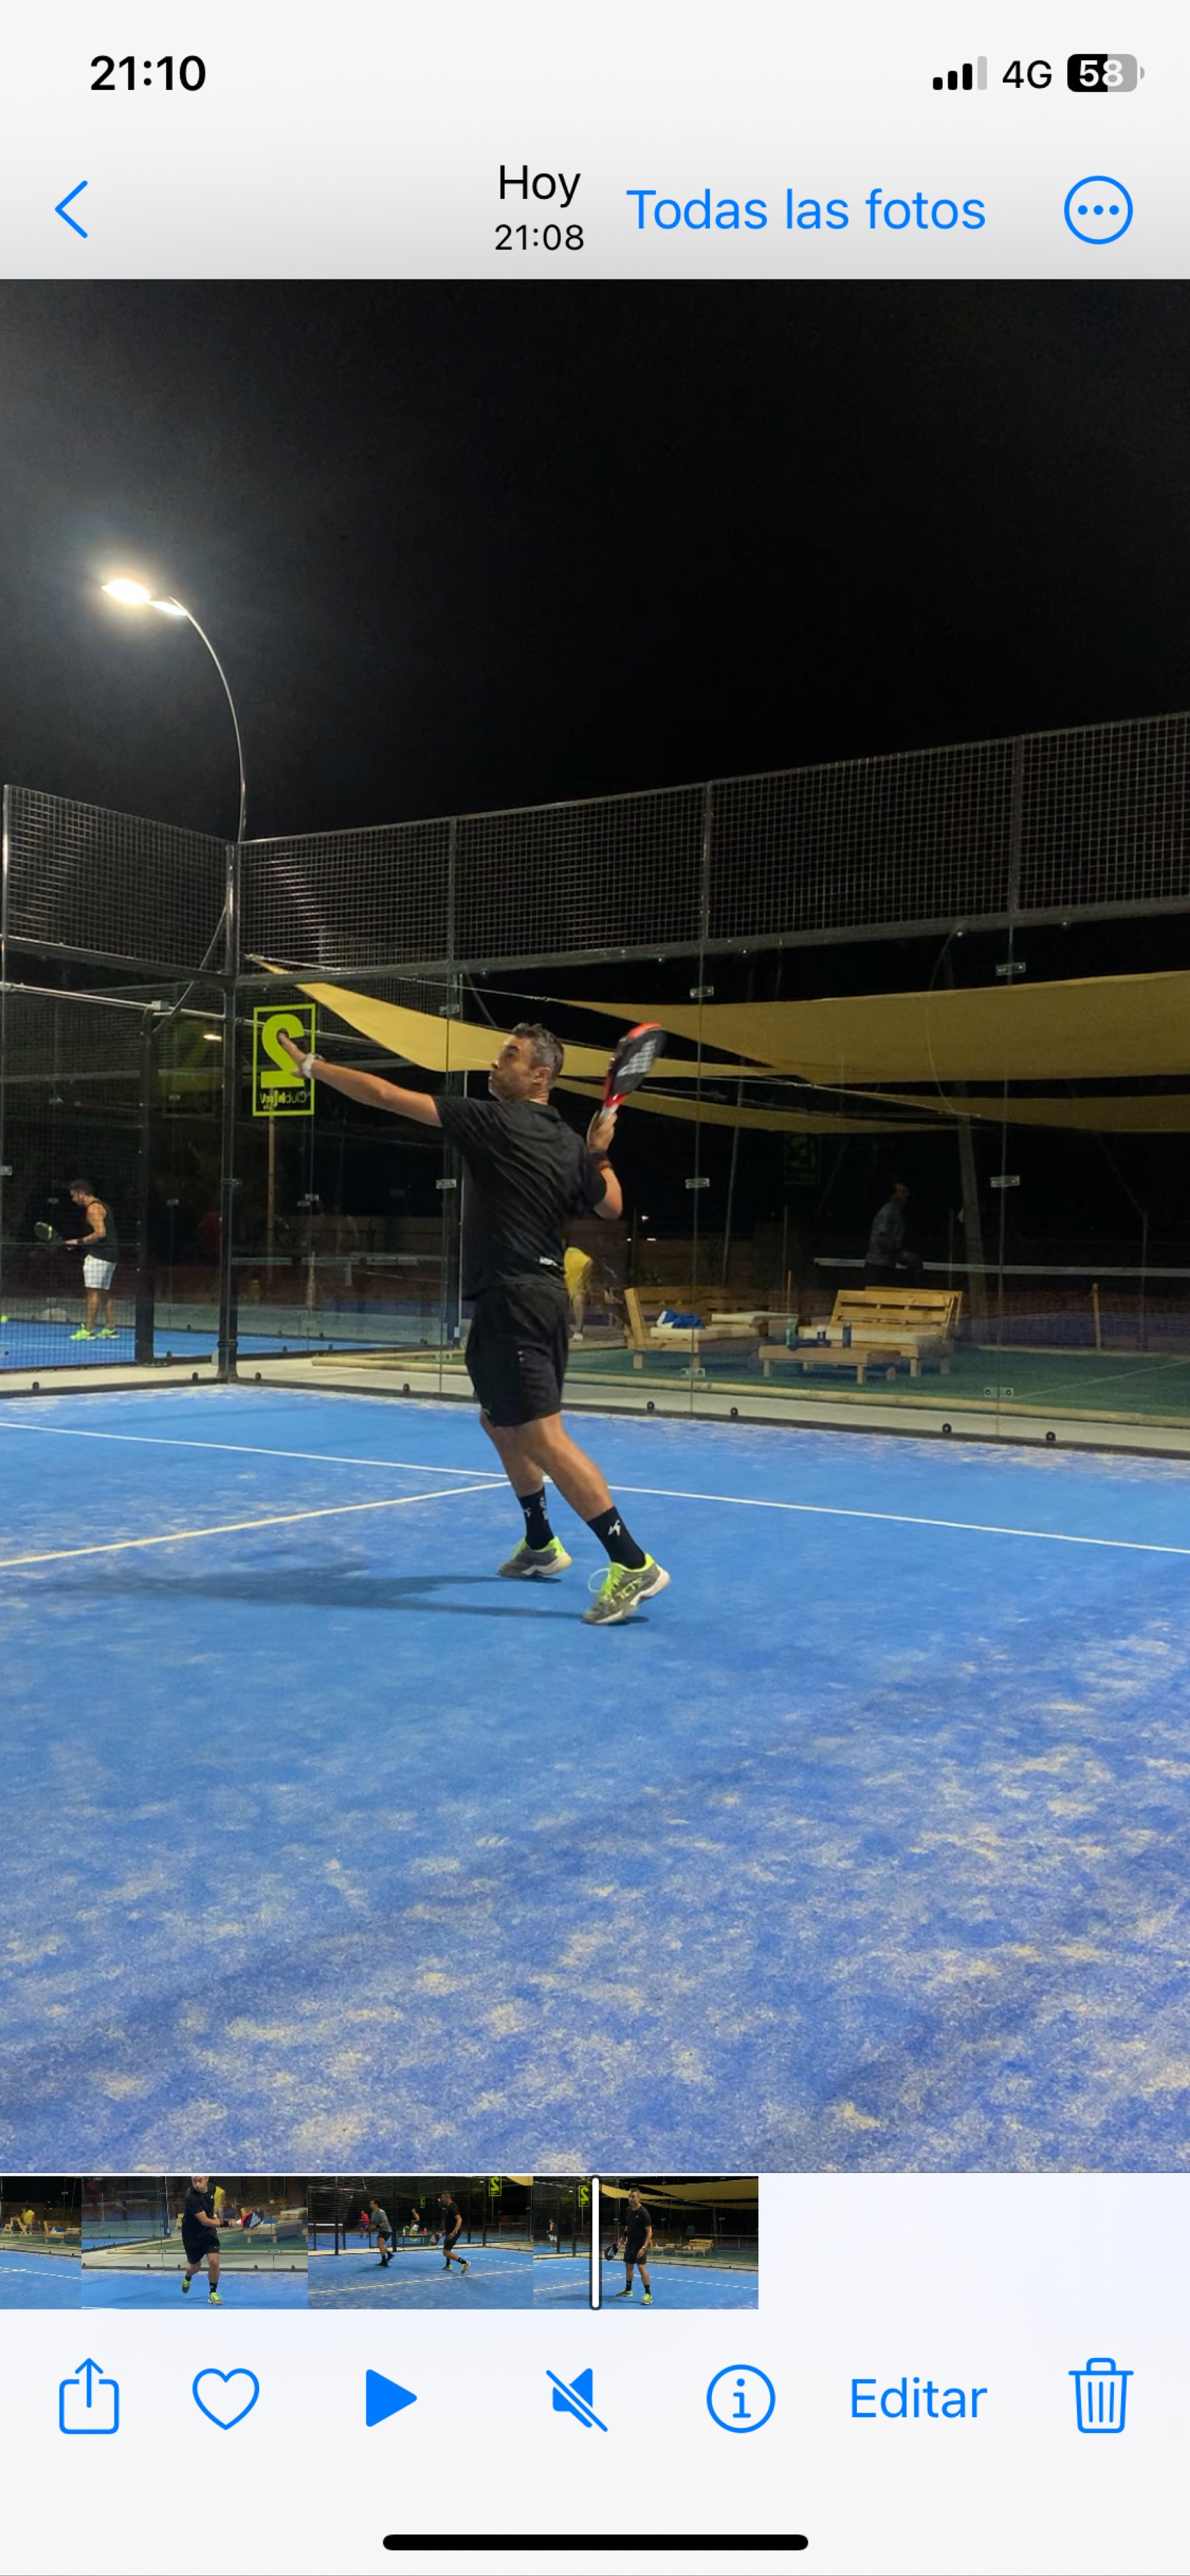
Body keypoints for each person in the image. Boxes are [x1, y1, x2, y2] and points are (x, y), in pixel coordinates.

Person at [278, 1022, 669, 1625]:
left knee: (543, 1435)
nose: (495, 1064)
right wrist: (597, 1152)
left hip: (520, 1300)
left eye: (509, 1056)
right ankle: (541, 1543)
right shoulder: (568, 1142)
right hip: (509, 1300)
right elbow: (611, 1204)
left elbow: (383, 1095)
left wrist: (313, 1067)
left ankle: (632, 1562)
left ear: (539, 1075)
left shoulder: (495, 1121)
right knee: (499, 1420)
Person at [63, 1180, 120, 1339]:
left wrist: (77, 1242)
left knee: (92, 1293)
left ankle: (88, 1330)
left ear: (82, 1193)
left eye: (74, 1196)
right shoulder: (103, 1205)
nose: (73, 1199)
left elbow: (100, 1233)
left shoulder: (93, 1208)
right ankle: (110, 1328)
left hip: (99, 1257)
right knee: (104, 1292)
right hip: (111, 1255)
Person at [180, 2176, 223, 2303]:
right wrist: (225, 2223)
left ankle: (213, 2293)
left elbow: (218, 2199)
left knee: (214, 2262)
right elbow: (204, 2221)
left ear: (207, 2178)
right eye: (194, 2181)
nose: (198, 2185)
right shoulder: (191, 2196)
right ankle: (188, 2276)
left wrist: (216, 2213)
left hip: (209, 2233)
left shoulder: (213, 2189)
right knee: (195, 2267)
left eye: (200, 2180)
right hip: (192, 2235)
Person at [864, 1180, 914, 1288]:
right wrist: (899, 1253)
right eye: (902, 1192)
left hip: (887, 1264)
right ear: (893, 1195)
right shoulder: (888, 1213)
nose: (906, 1195)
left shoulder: (896, 1212)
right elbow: (882, 1238)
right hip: (878, 1266)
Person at [611, 2190, 653, 2305]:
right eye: (629, 2197)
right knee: (628, 2266)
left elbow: (649, 2232)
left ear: (638, 2198)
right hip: (630, 2243)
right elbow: (628, 2226)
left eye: (633, 2197)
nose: (631, 2199)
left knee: (641, 2267)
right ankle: (628, 2290)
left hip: (640, 2244)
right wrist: (623, 2237)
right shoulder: (628, 2210)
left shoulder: (644, 2212)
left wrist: (644, 2247)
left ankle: (648, 2295)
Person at [438, 2191, 469, 2276]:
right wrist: (446, 2231)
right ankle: (448, 2265)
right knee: (447, 2248)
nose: (441, 2199)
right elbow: (452, 2222)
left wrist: (454, 2232)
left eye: (443, 2197)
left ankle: (464, 2263)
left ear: (447, 2197)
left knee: (446, 2252)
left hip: (454, 2232)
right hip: (450, 2232)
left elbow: (459, 2220)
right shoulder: (449, 2207)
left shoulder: (452, 2207)